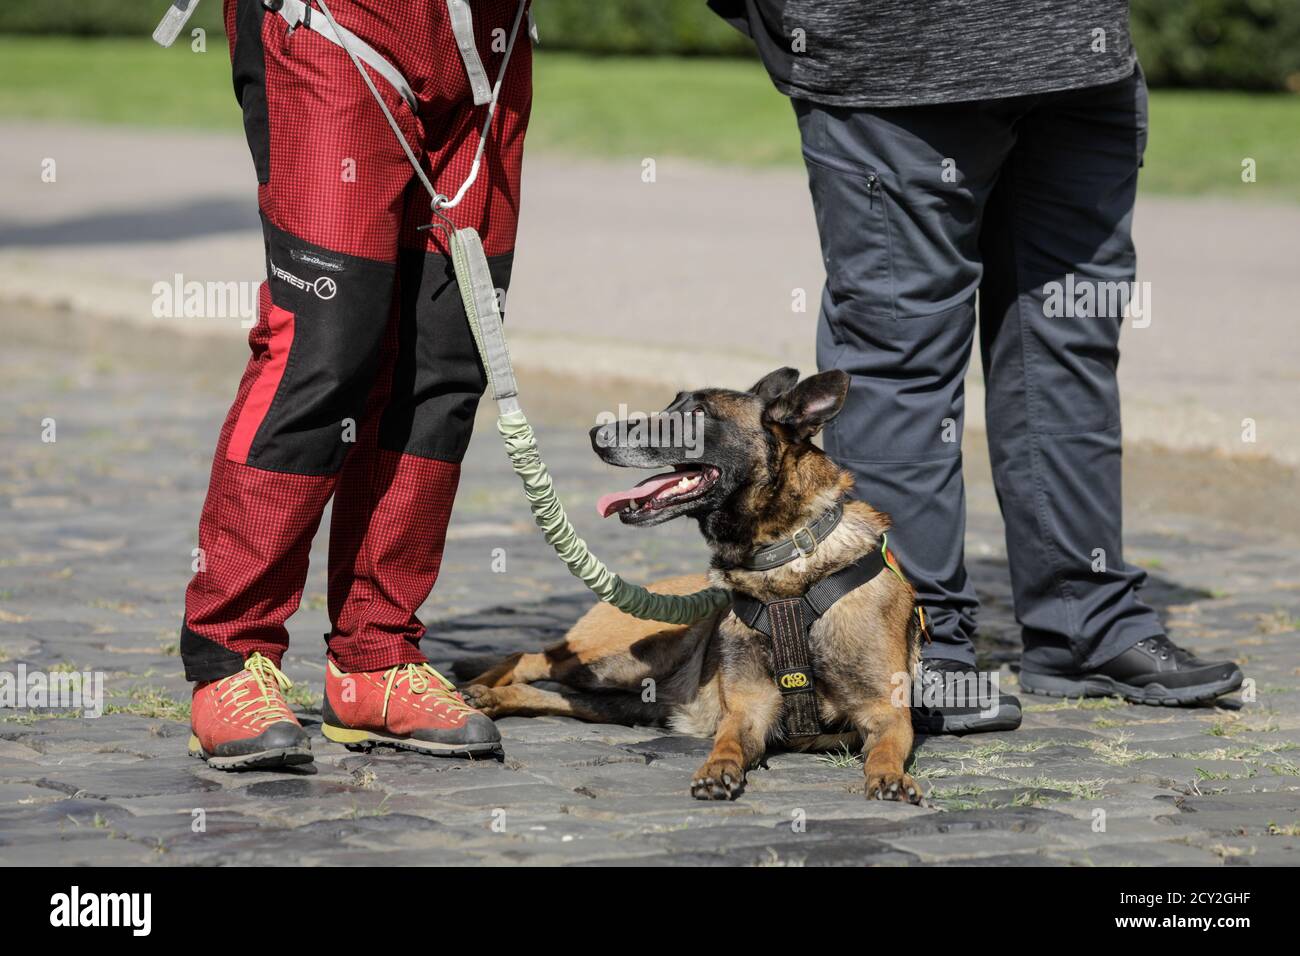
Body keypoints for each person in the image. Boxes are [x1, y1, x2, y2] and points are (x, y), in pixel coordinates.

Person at [710, 0, 1243, 732]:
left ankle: (1087, 621)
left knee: (1069, 347)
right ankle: (915, 647)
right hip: (890, 69)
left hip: (1080, 63)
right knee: (898, 363)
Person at [181, 0, 531, 769]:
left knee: (447, 354)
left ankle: (375, 656)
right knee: (325, 347)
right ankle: (229, 655)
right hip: (337, 21)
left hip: (487, 46)